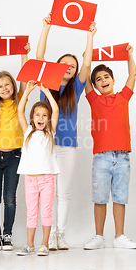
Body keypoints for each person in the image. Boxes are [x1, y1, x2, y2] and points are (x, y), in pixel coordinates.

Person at [36, 13, 96, 250]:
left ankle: (60, 235)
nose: (70, 68)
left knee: (64, 193)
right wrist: (46, 28)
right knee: (48, 194)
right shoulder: (46, 84)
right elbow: (39, 57)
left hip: (68, 147)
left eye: (73, 66)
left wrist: (89, 36)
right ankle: (49, 236)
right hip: (47, 146)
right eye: (66, 64)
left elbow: (88, 64)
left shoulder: (76, 88)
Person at [83, 44, 136, 250]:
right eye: (98, 80)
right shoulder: (94, 99)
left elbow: (133, 74)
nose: (103, 80)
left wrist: (130, 55)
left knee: (120, 197)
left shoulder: (123, 96)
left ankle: (119, 236)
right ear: (95, 86)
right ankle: (99, 236)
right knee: (100, 198)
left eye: (106, 77)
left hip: (122, 156)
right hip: (101, 157)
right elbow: (85, 77)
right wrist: (86, 55)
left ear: (113, 80)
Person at [0, 43, 29, 251]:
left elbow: (24, 78)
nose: (4, 88)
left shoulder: (19, 100)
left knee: (10, 198)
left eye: (7, 84)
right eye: (0, 86)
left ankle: (7, 234)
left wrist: (23, 54)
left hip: (15, 157)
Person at [16, 81, 60, 256]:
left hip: (46, 179)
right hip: (30, 180)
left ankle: (44, 244)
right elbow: (19, 111)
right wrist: (26, 92)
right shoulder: (28, 133)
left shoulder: (50, 132)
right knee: (32, 212)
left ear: (47, 118)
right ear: (32, 117)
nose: (40, 118)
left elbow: (55, 110)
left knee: (46, 212)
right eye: (37, 115)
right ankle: (29, 244)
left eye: (44, 115)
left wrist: (47, 92)